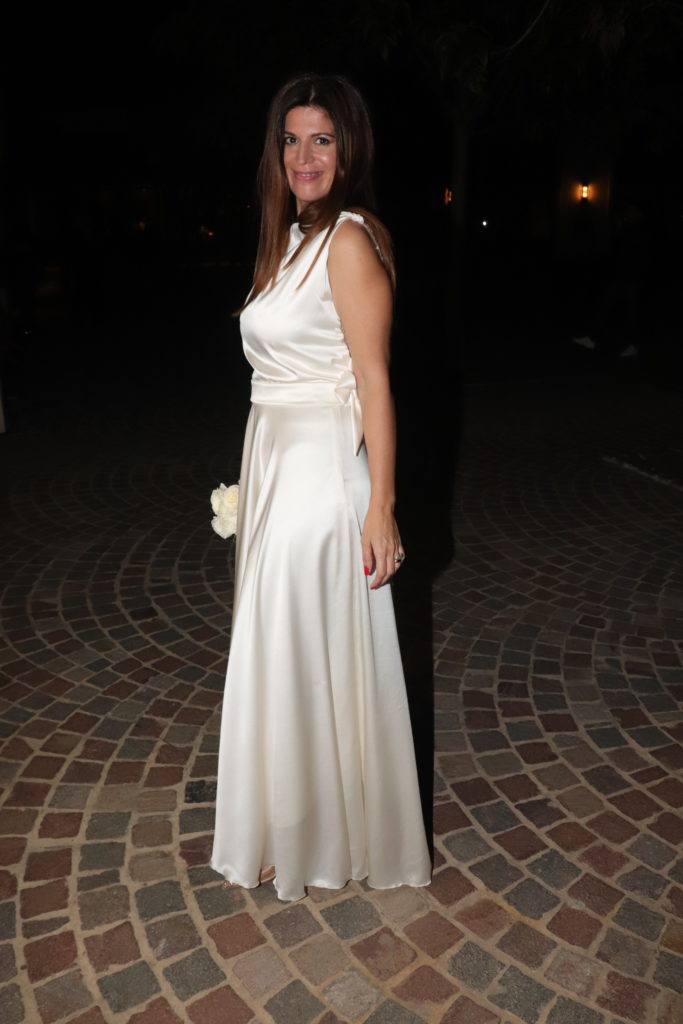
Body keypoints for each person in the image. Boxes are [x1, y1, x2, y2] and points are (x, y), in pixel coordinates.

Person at [210, 73, 431, 902]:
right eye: (292, 139)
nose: (304, 156)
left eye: (322, 140)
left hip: (319, 477)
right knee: (282, 647)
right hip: (276, 461)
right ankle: (287, 825)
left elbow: (374, 381)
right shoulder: (291, 239)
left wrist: (381, 507)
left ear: (348, 151)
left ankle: (306, 835)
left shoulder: (347, 240)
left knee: (297, 648)